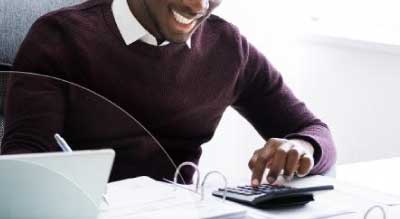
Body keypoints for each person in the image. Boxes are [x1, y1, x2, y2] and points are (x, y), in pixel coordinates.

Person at [1, 0, 336, 185]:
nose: (198, 5)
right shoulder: (60, 37)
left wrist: (300, 147)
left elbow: (315, 133)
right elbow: (22, 166)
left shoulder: (228, 47)